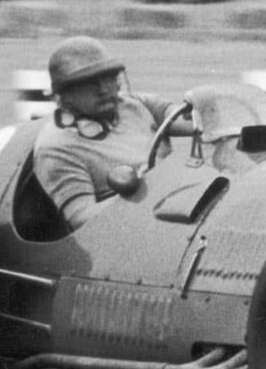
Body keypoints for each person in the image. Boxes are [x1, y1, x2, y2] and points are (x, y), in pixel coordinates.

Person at [33, 36, 191, 231]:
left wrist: (215, 115)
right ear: (64, 94)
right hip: (135, 232)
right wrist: (138, 188)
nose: (104, 89)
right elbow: (82, 217)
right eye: (88, 82)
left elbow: (191, 122)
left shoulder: (135, 103)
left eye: (108, 77)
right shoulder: (57, 146)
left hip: (182, 205)